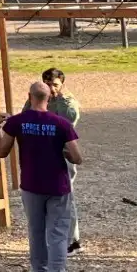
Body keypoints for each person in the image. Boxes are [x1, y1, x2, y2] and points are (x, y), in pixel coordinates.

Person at [0, 80, 83, 272]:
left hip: (31, 184)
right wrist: (63, 152)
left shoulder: (17, 122)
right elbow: (77, 157)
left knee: (36, 232)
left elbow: (2, 151)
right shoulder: (61, 123)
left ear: (29, 96)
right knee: (58, 234)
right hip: (57, 185)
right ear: (49, 98)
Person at [42, 67, 82, 252]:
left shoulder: (67, 103)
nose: (51, 88)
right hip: (44, 154)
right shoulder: (40, 98)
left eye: (55, 84)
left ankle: (71, 241)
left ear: (62, 84)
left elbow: (67, 122)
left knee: (66, 196)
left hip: (63, 154)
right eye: (48, 84)